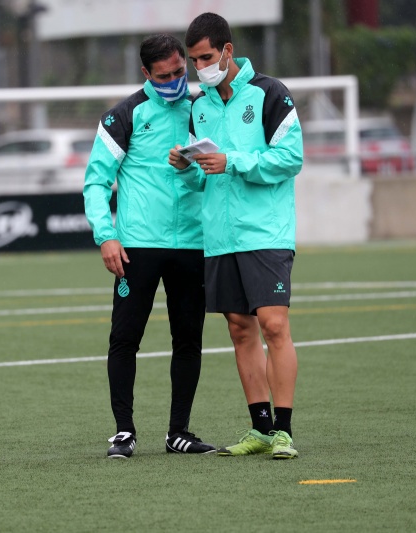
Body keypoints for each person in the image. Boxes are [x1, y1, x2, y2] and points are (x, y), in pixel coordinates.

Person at [169, 13, 303, 459]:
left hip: (265, 232)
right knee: (240, 330)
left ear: (228, 50)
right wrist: (185, 167)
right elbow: (200, 180)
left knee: (274, 326)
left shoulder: (270, 93)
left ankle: (284, 431)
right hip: (220, 237)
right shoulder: (198, 107)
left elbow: (291, 158)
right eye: (194, 60)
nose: (200, 67)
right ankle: (260, 429)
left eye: (206, 57)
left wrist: (234, 161)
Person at [83, 33, 216, 459]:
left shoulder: (203, 109)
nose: (175, 81)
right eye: (164, 76)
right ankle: (123, 432)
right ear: (146, 73)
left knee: (188, 340)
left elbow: (209, 178)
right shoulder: (124, 115)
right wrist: (106, 235)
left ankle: (179, 433)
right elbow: (95, 182)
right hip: (136, 247)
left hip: (192, 244)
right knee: (125, 339)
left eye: (180, 71)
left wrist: (191, 170)